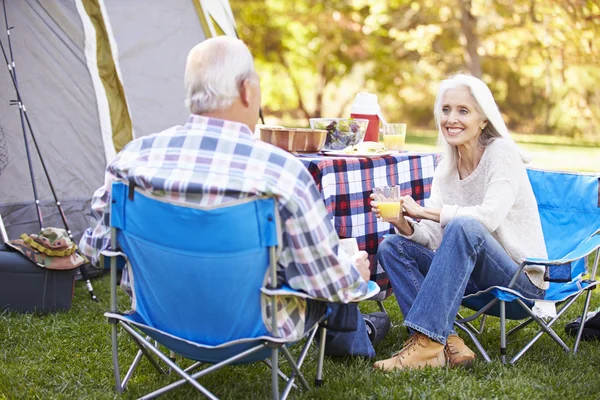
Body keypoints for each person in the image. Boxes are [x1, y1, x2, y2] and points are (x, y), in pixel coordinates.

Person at [79, 36, 372, 343]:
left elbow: (98, 252)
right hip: (258, 329)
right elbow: (331, 285)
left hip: (158, 319)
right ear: (246, 90)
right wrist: (355, 276)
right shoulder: (282, 172)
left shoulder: (130, 161)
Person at [371, 73, 548, 371]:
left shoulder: (501, 153)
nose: (452, 119)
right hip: (466, 279)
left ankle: (425, 343)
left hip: (518, 283)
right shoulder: (445, 169)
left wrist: (426, 212)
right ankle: (448, 343)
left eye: (463, 111)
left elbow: (488, 217)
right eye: (446, 109)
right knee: (392, 246)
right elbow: (438, 238)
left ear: (483, 119)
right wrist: (404, 223)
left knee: (464, 225)